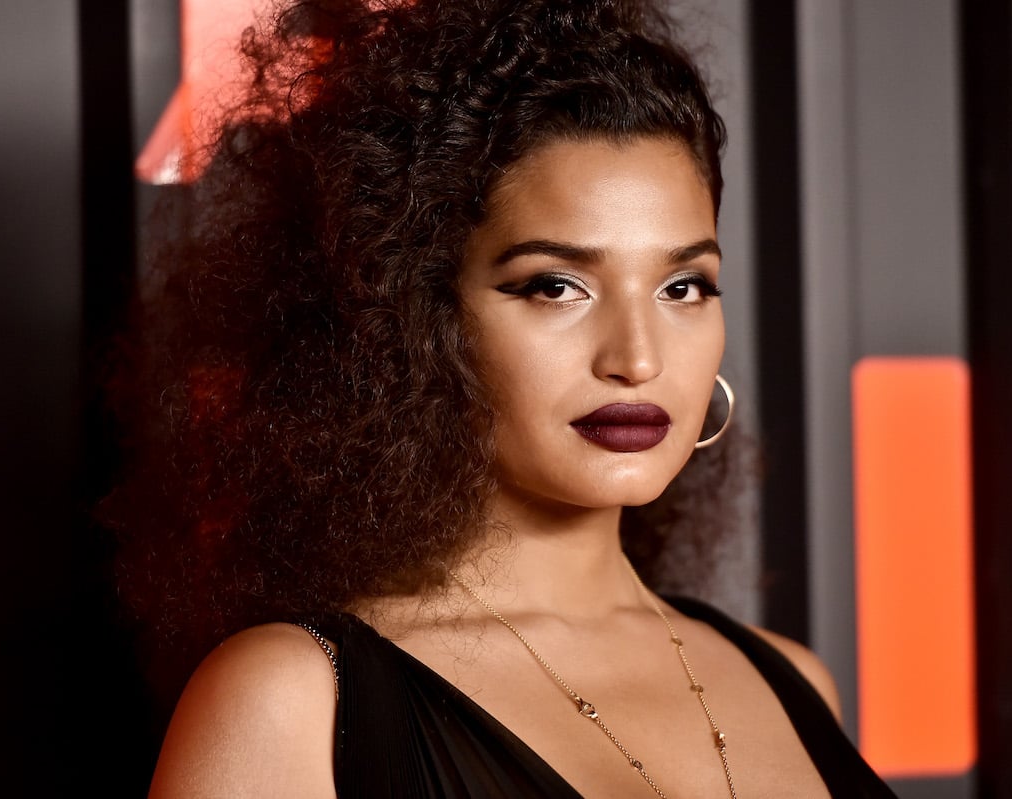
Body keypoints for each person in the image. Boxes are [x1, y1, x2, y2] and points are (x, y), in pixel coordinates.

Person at [111, 0, 895, 796]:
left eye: (683, 286)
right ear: (419, 319)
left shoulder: (796, 683)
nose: (638, 358)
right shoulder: (291, 701)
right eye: (556, 286)